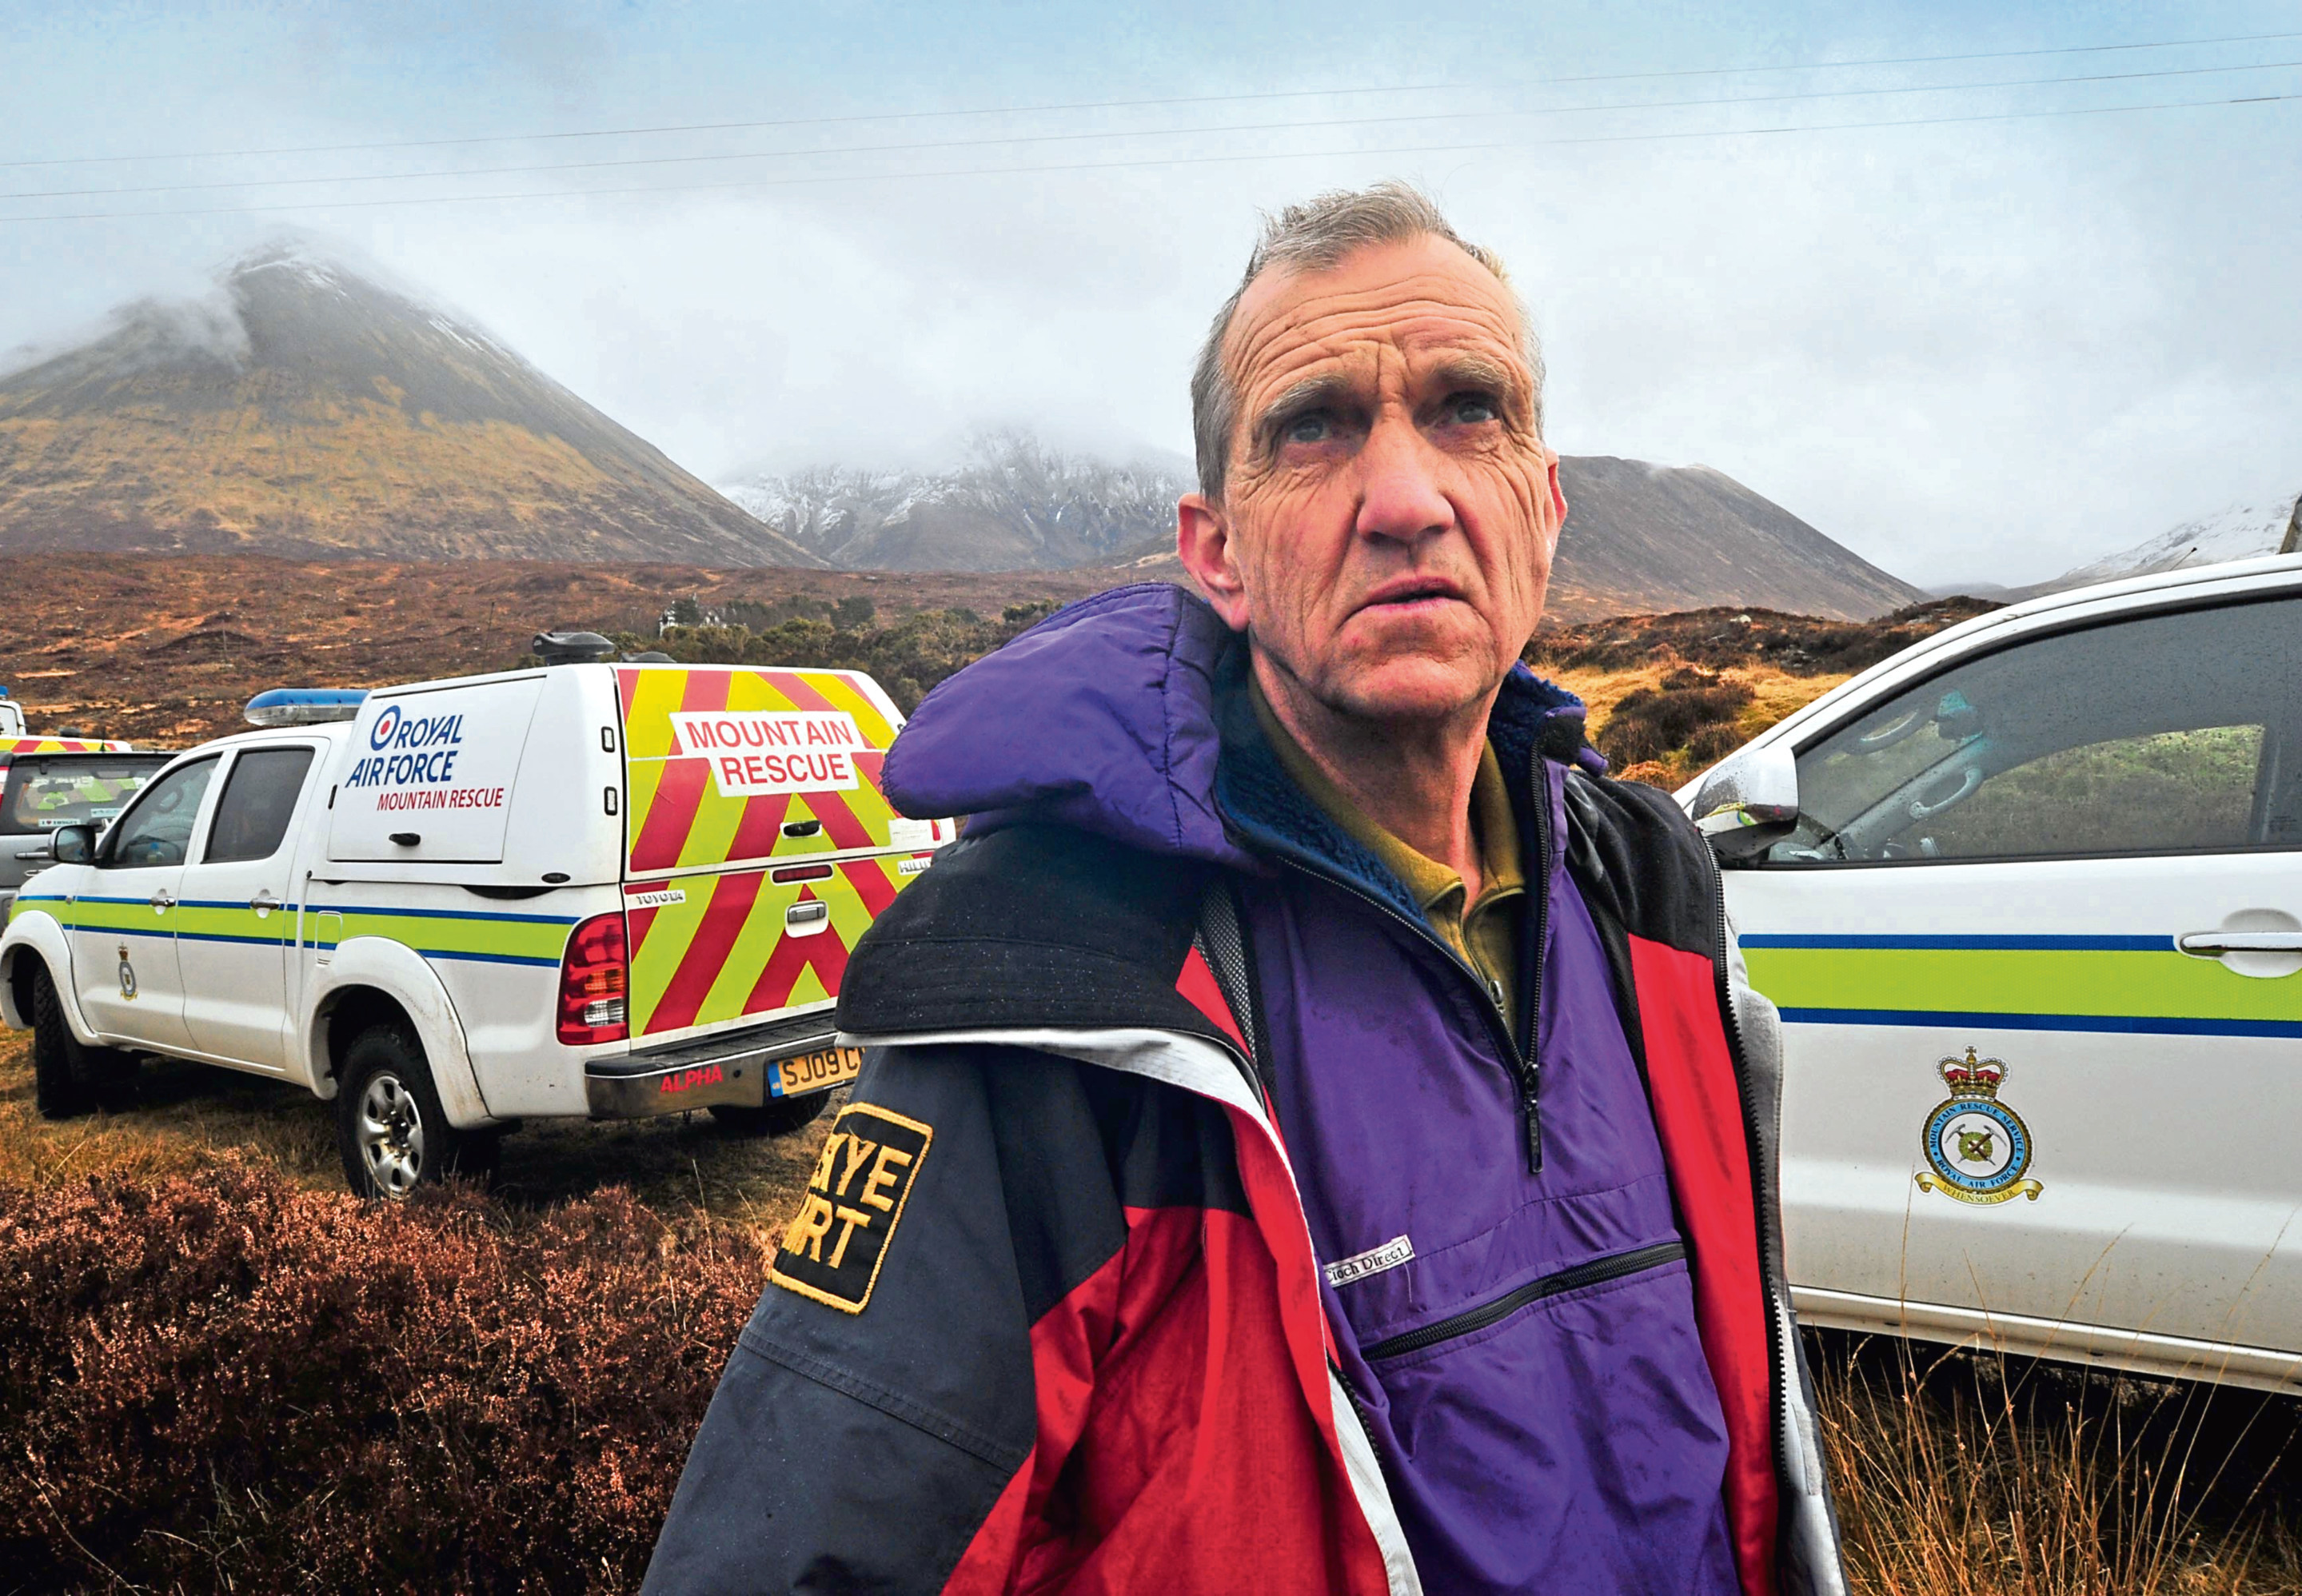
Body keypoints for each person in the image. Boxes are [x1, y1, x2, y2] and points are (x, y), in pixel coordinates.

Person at [643, 182, 1845, 1596]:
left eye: (1471, 411)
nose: (1406, 500)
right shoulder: (1063, 1002)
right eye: (1314, 427)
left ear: (1545, 502)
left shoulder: (1649, 903)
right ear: (1216, 551)